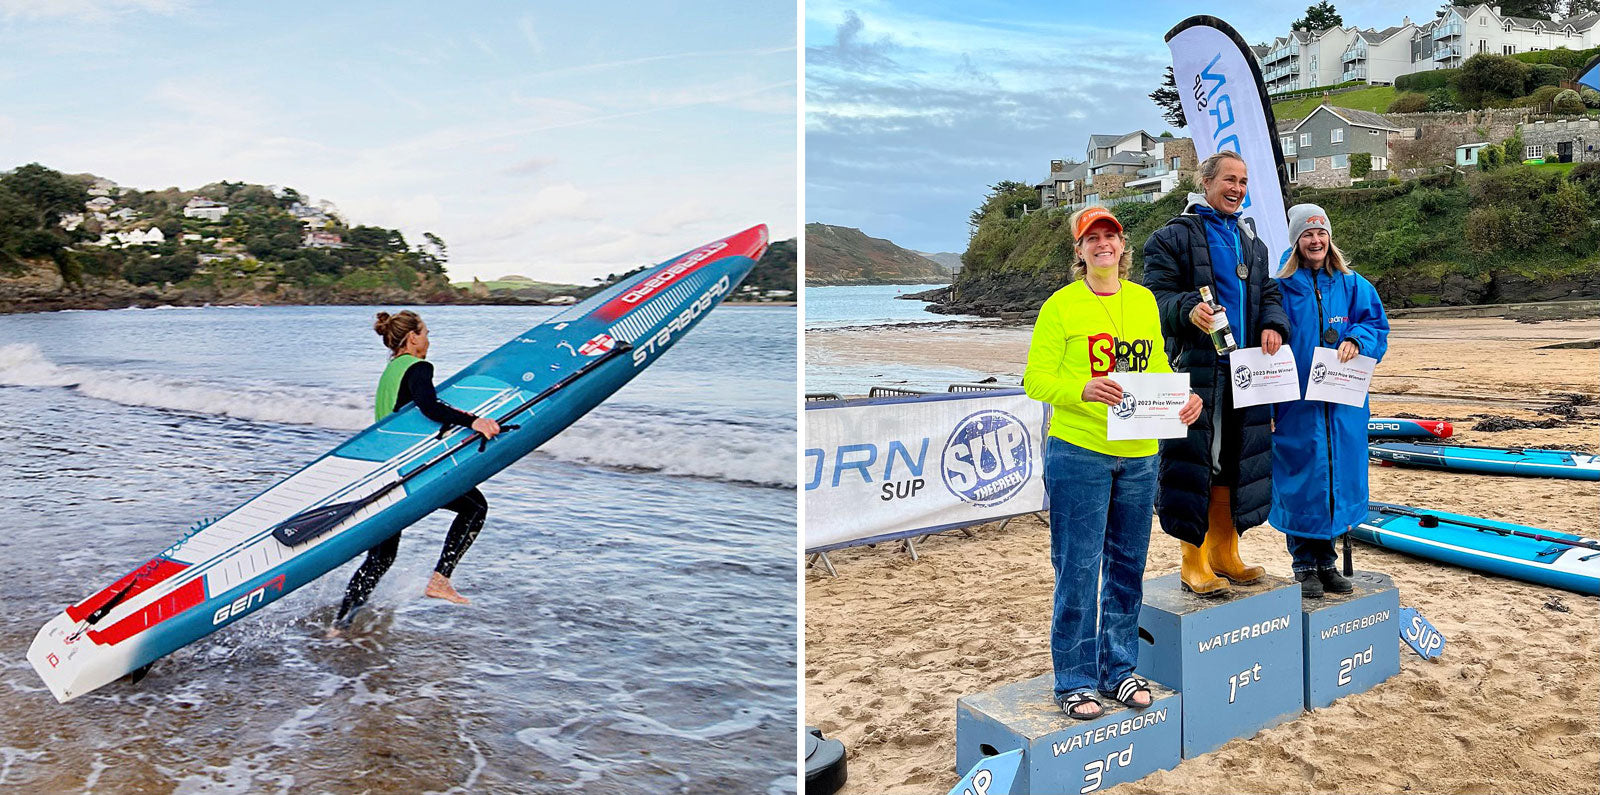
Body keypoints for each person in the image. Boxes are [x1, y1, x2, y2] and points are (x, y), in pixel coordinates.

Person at [1024, 207, 1203, 720]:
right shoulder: (1060, 307)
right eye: (1092, 239)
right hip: (1078, 451)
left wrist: (1182, 400)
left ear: (1124, 246)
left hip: (1140, 453)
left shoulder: (1144, 300)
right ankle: (1074, 679)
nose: (1103, 244)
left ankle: (1119, 670)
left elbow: (1158, 367)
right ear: (1079, 252)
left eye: (1111, 236)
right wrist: (1081, 388)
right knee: (1077, 569)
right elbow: (1036, 380)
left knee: (1128, 567)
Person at [1143, 150, 1291, 597]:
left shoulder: (1253, 241)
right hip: (1199, 372)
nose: (1237, 189)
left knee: (1235, 462)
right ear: (1205, 182)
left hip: (1248, 372)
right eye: (1230, 180)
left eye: (1243, 182)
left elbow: (1268, 293)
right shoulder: (1171, 237)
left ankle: (1226, 553)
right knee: (1197, 465)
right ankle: (1194, 560)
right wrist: (1189, 309)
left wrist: (1272, 324)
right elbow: (1153, 298)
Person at [334, 310, 502, 630]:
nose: (428, 340)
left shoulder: (390, 372)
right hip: (412, 470)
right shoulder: (418, 366)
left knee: (380, 558)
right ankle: (440, 580)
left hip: (385, 471)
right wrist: (474, 421)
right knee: (475, 507)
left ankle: (339, 626)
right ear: (412, 337)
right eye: (426, 333)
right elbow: (430, 406)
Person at [1270, 205, 1389, 597]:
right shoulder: (1280, 289)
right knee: (1303, 482)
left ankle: (1328, 563)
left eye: (1321, 233)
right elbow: (1265, 338)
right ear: (1296, 241)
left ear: (1329, 237)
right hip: (1297, 408)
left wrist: (1357, 338)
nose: (1316, 240)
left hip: (1341, 408)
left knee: (1336, 479)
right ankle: (1303, 565)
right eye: (1307, 234)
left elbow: (1375, 324)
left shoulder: (1353, 284)